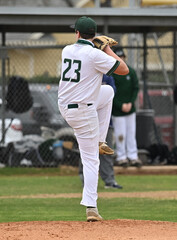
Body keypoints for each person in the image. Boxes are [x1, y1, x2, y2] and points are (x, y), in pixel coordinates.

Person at [58, 16, 129, 222]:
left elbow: (86, 57)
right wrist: (106, 48)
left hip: (65, 107)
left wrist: (97, 47)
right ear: (94, 35)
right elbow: (123, 69)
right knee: (91, 160)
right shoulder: (95, 55)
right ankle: (91, 207)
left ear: (77, 34)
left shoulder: (67, 50)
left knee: (107, 92)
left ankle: (100, 139)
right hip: (83, 111)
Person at [79, 74, 123, 189]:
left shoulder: (107, 77)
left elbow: (112, 92)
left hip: (104, 122)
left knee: (104, 150)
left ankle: (109, 180)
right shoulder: (86, 74)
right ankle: (85, 180)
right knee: (86, 150)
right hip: (87, 120)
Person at [111, 47, 142, 168]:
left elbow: (135, 88)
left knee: (131, 133)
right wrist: (120, 105)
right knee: (120, 134)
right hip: (118, 110)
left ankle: (133, 156)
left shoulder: (131, 71)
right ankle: (121, 157)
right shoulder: (112, 73)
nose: (121, 59)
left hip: (130, 108)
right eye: (118, 57)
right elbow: (111, 93)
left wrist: (130, 102)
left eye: (122, 57)